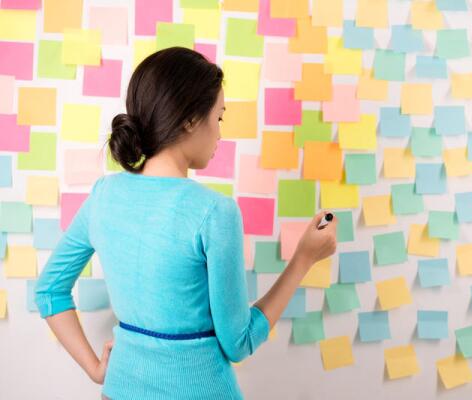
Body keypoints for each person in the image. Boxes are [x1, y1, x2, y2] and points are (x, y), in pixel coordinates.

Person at [34, 47, 337, 400]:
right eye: (218, 117)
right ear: (191, 120)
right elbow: (239, 343)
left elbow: (49, 291)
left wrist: (95, 369)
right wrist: (303, 259)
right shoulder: (215, 212)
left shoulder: (104, 195)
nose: (220, 134)